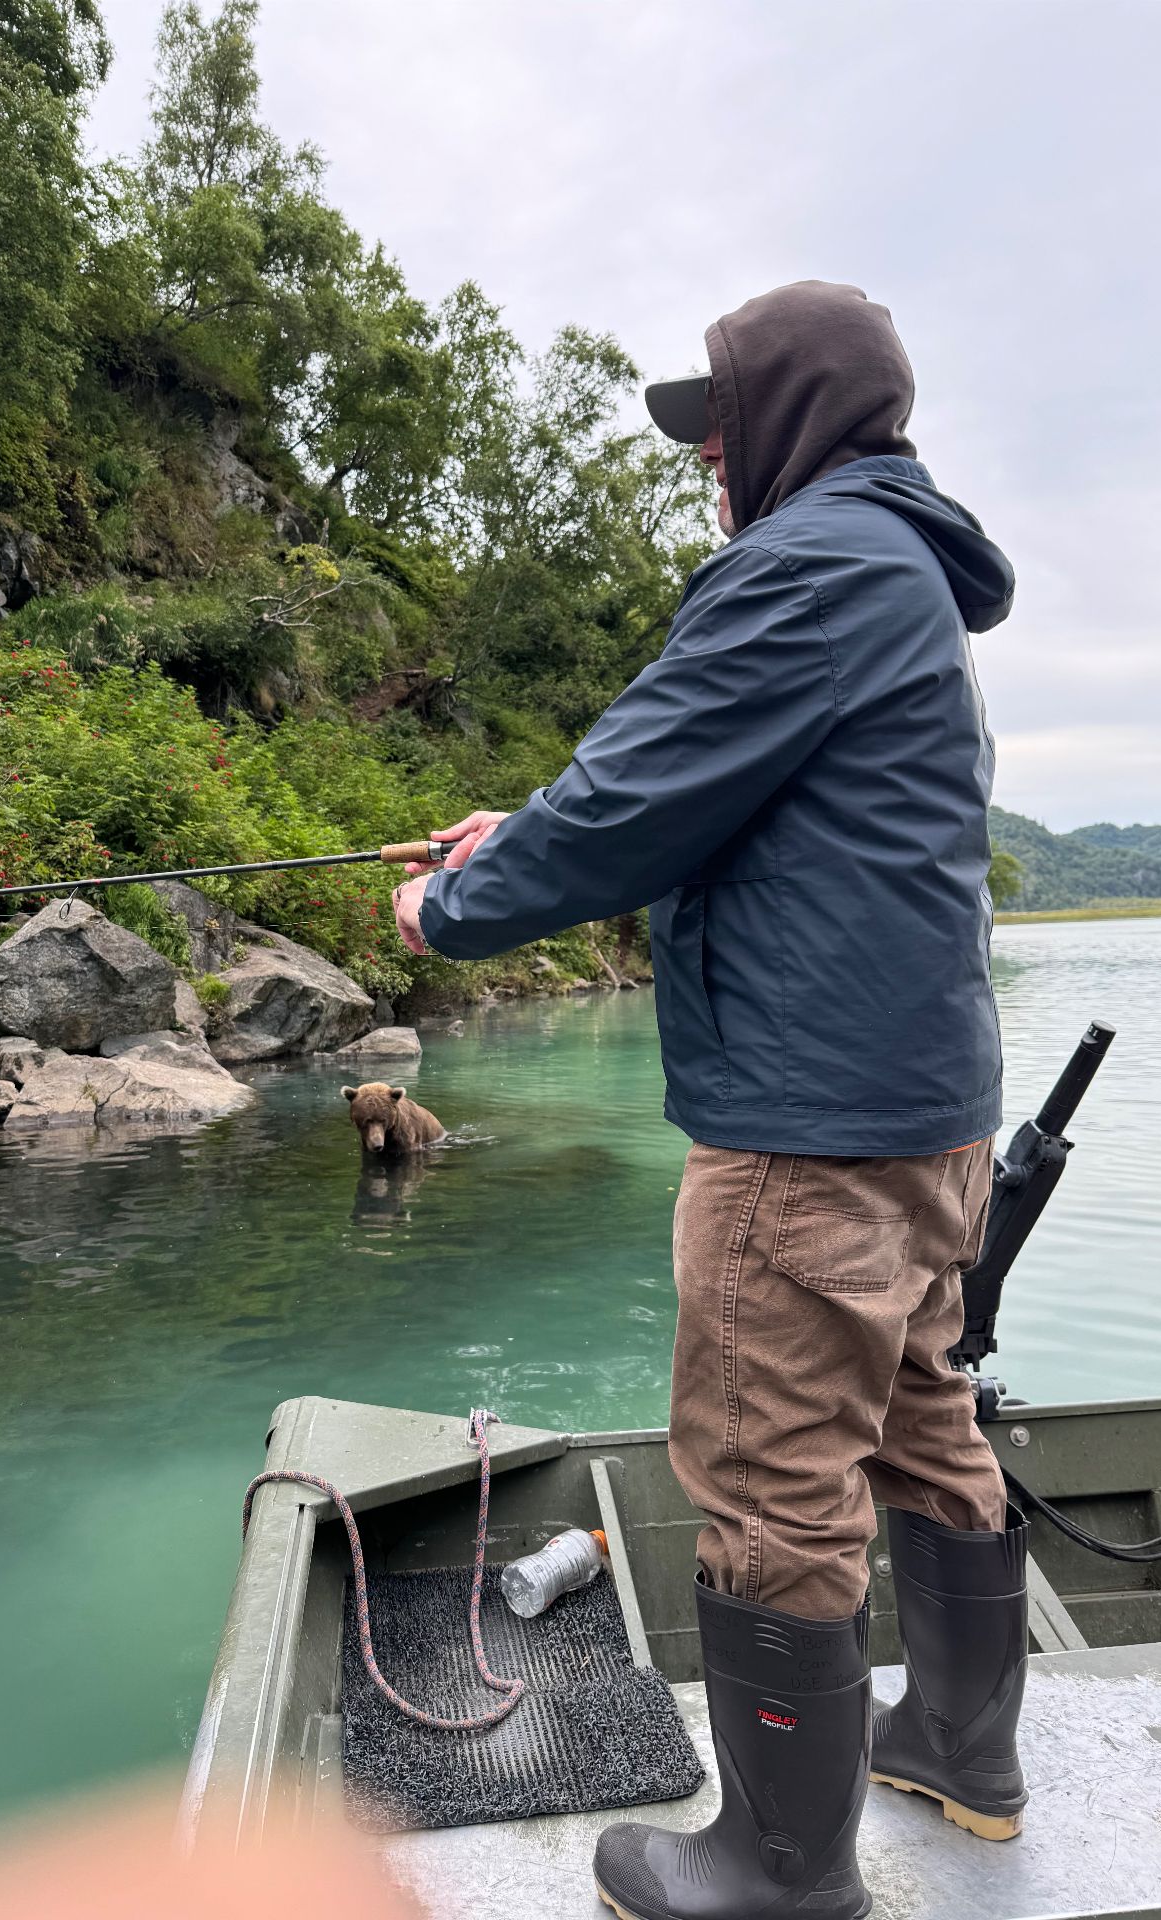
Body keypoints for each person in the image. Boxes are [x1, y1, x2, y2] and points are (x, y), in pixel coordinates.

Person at [391, 280, 1027, 1920]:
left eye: (719, 429)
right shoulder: (897, 576)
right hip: (928, 1116)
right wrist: (515, 822)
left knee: (766, 1473)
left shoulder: (805, 566)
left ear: (795, 420)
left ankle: (777, 1871)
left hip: (804, 1132)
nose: (705, 464)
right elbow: (698, 790)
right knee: (922, 1413)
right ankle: (962, 1745)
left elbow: (630, 806)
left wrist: (447, 907)